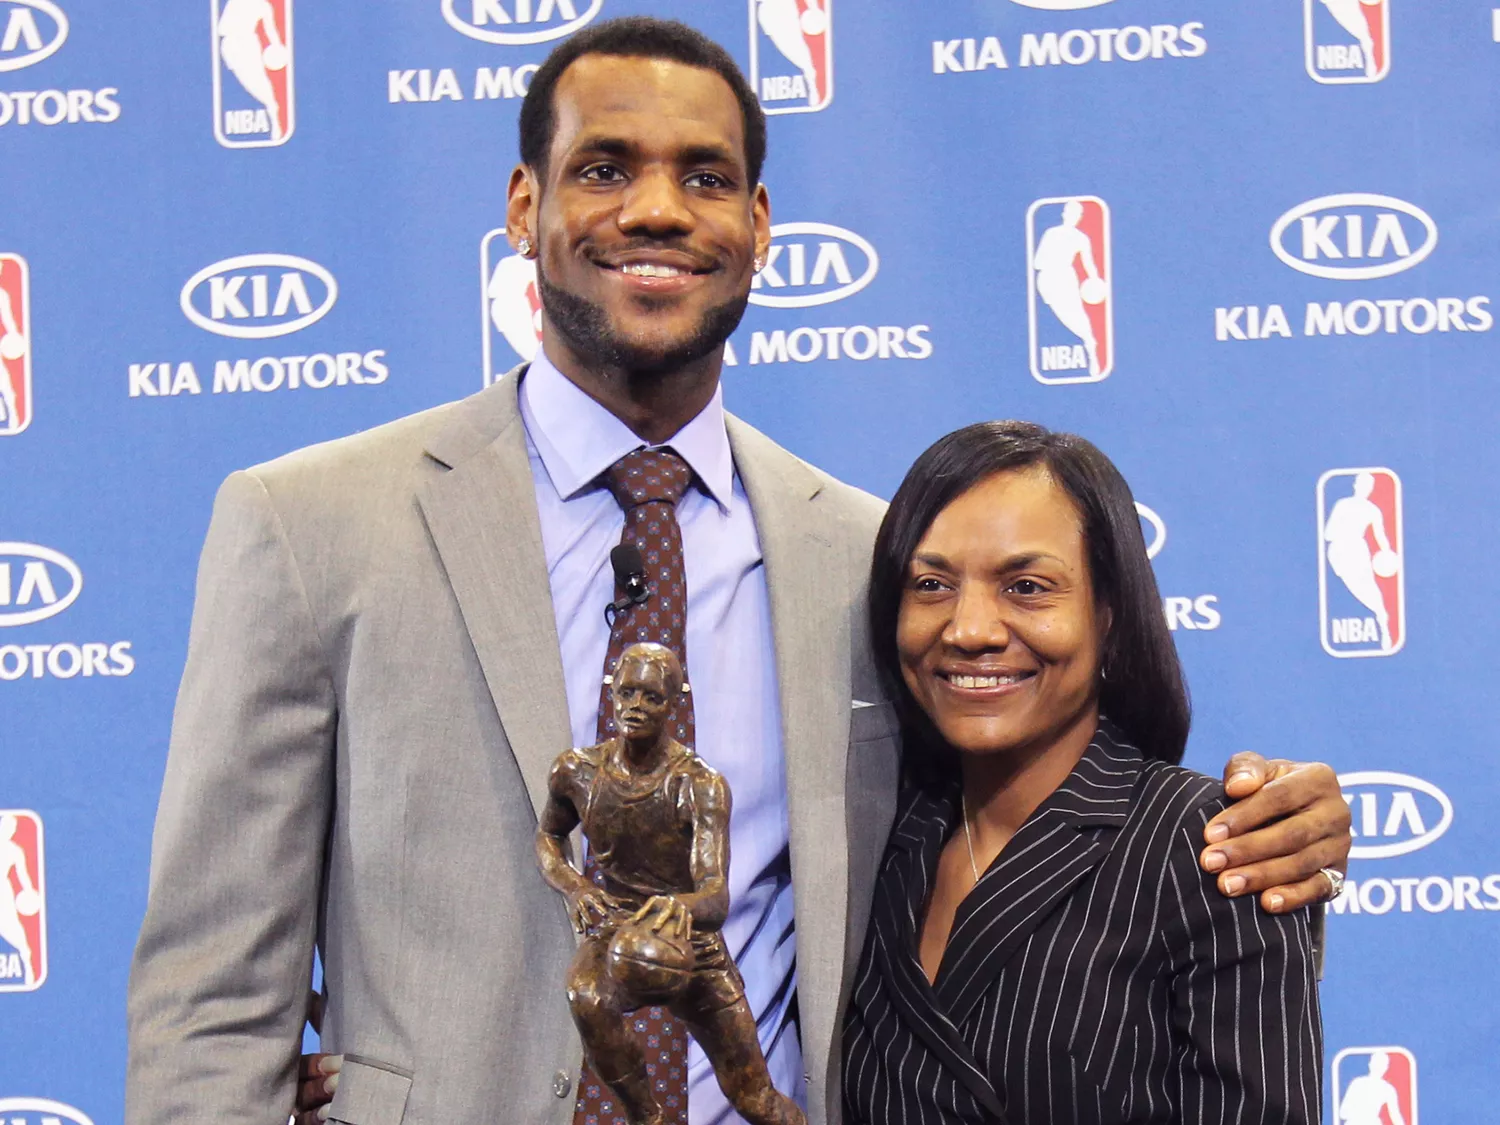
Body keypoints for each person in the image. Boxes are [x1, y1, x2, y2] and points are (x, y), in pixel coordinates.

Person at [128, 18, 1351, 1125]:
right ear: (522, 205)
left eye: (705, 178)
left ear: (758, 228)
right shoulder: (311, 524)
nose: (656, 210)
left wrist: (1272, 823)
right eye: (604, 168)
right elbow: (211, 988)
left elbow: (1026, 802)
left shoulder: (872, 560)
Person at [842, 422, 1322, 1123]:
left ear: (1109, 614)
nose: (969, 628)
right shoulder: (874, 832)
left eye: (1027, 586)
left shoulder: (1213, 847)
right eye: (932, 583)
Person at [537, 643, 803, 1125]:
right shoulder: (576, 771)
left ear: (675, 701)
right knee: (586, 995)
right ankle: (648, 1116)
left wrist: (676, 906)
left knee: (755, 1099)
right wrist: (575, 885)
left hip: (689, 941)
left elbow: (714, 897)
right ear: (611, 692)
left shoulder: (699, 785)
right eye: (627, 693)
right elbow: (549, 837)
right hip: (617, 930)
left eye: (652, 697)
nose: (635, 707)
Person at [1323, 471, 1398, 650]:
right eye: (1363, 484)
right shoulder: (1345, 505)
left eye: (1368, 486)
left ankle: (1384, 627)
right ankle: (1381, 621)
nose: (1365, 489)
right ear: (1355, 485)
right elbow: (1327, 533)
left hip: (1355, 550)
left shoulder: (1371, 510)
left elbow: (1381, 537)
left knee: (1368, 588)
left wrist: (1387, 553)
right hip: (1342, 552)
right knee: (1357, 587)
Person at [1032, 200, 1106, 378]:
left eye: (1077, 214)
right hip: (1047, 279)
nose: (1073, 217)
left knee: (1076, 313)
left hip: (1066, 278)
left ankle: (1090, 346)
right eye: (1070, 213)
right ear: (1064, 214)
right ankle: (1087, 340)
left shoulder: (1081, 238)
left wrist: (1095, 280)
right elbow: (1037, 261)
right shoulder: (1051, 233)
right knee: (1061, 314)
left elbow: (1089, 264)